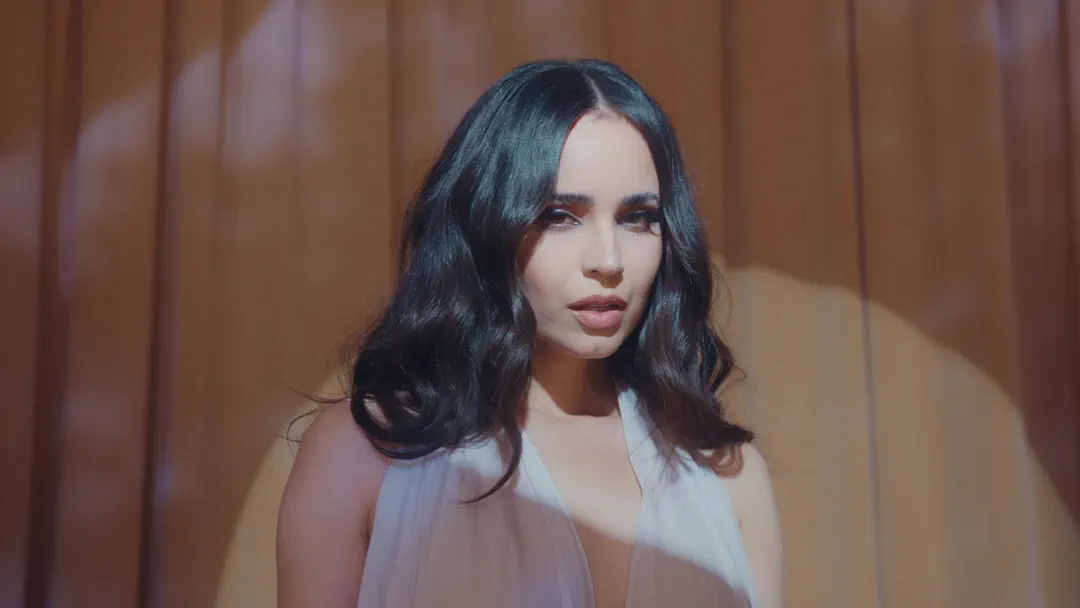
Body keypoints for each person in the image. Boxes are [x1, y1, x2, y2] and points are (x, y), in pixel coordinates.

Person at [276, 58, 782, 608]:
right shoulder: (365, 456)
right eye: (560, 216)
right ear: (487, 224)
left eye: (637, 218)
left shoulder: (727, 477)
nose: (609, 260)